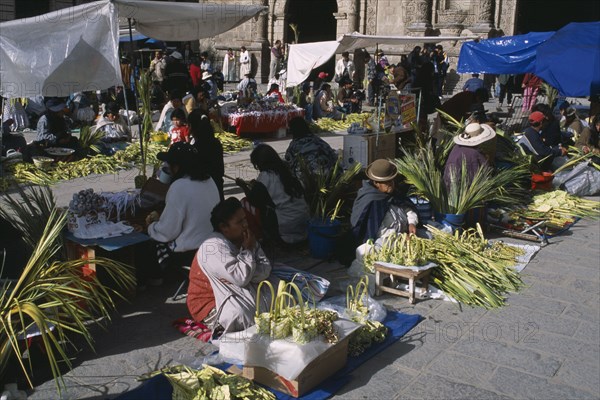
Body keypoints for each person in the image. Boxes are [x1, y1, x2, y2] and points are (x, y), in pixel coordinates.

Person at [192, 197, 278, 334]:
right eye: (240, 222)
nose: (245, 224)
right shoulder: (212, 247)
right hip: (211, 302)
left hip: (239, 285)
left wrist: (249, 273)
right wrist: (248, 252)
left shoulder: (245, 237)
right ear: (224, 227)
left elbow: (265, 267)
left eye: (245, 219)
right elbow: (240, 278)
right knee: (241, 314)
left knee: (277, 289)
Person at [145, 142, 220, 273]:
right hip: (214, 245)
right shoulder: (210, 180)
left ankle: (155, 280)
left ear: (178, 167)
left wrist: (151, 227)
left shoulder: (179, 186)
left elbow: (167, 232)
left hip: (192, 252)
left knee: (150, 243)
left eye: (170, 166)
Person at [237, 144, 309, 244]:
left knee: (244, 203)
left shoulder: (266, 177)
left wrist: (244, 186)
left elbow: (253, 199)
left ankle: (260, 238)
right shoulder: (288, 170)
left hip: (285, 229)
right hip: (303, 224)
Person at [350, 159, 418, 245]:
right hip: (385, 240)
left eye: (392, 181)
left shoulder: (395, 194)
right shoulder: (371, 201)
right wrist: (401, 237)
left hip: (406, 235)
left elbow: (408, 208)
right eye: (387, 182)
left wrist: (412, 223)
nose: (391, 185)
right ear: (376, 183)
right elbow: (376, 231)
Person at [443, 123, 496, 190]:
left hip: (449, 189)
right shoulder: (475, 154)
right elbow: (485, 177)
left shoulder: (456, 148)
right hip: (464, 192)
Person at [188, 110, 225, 200]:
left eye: (188, 125)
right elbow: (220, 170)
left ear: (192, 126)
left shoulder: (195, 148)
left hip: (204, 193)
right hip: (217, 188)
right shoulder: (216, 143)